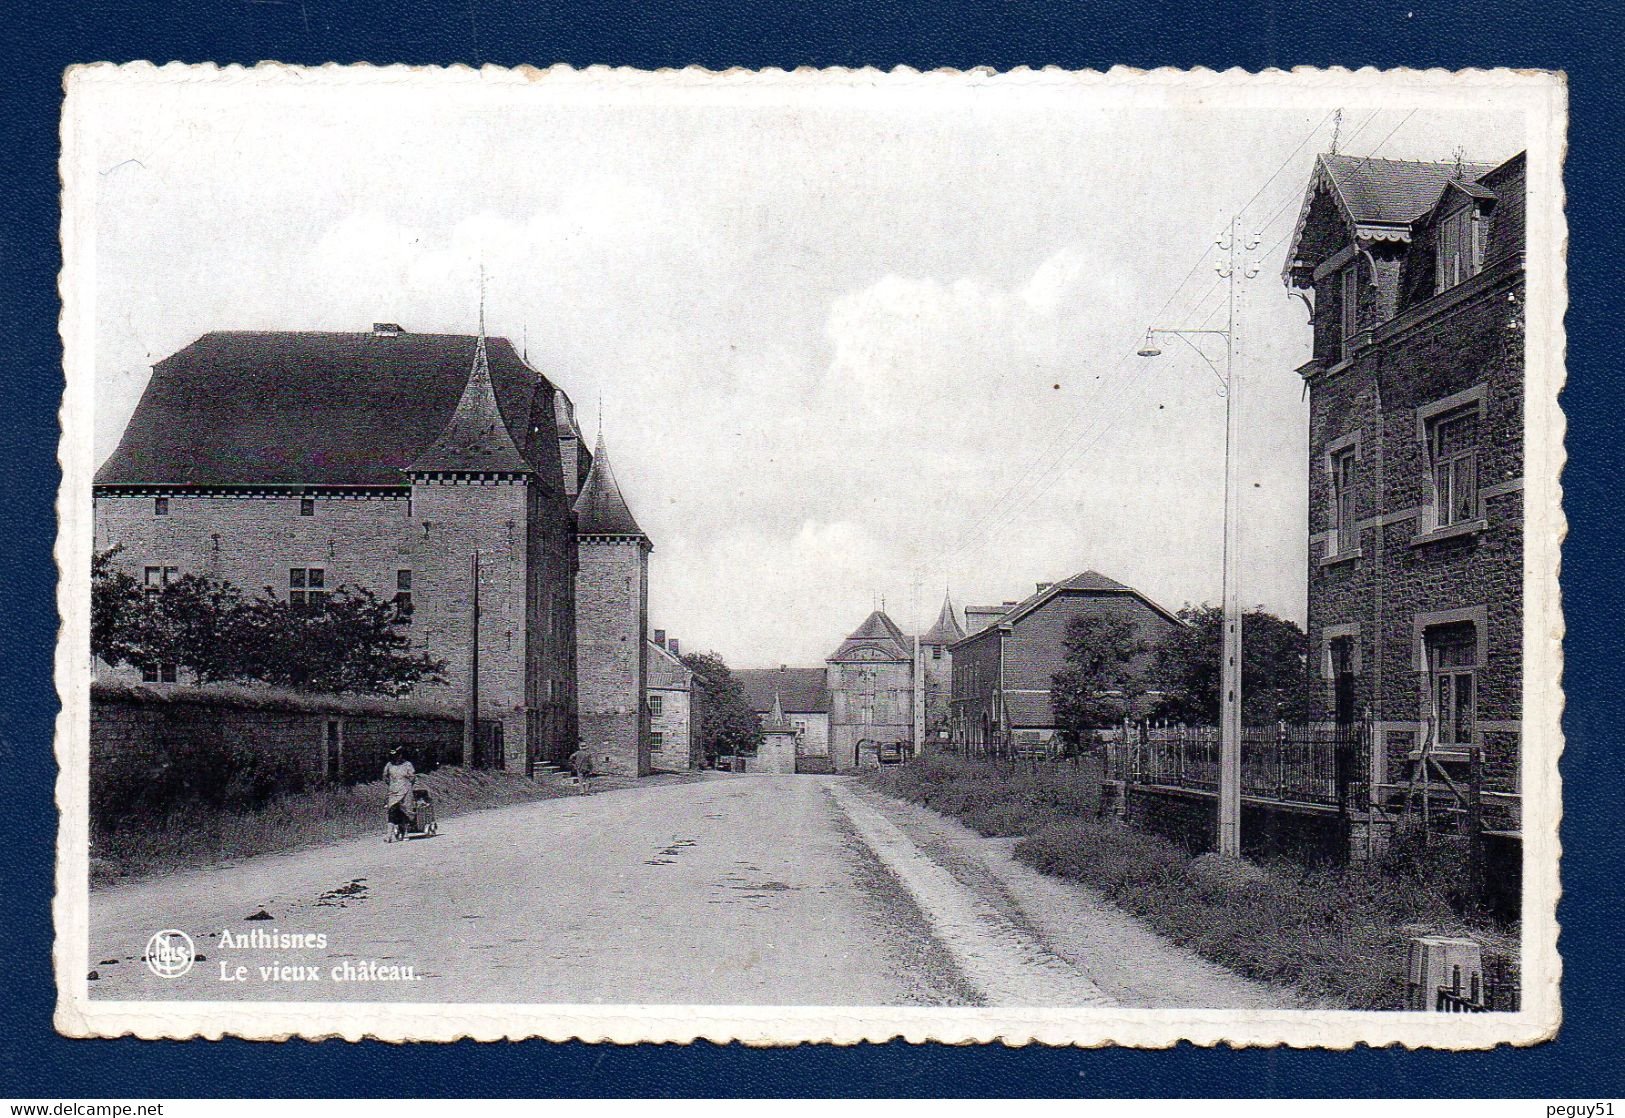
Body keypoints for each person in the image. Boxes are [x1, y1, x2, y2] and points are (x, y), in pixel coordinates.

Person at [383, 747, 416, 841]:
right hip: (393, 791)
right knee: (392, 810)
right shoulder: (389, 765)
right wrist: (392, 784)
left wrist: (407, 785)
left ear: (400, 755)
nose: (395, 758)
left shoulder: (407, 765)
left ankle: (405, 832)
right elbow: (385, 777)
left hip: (405, 790)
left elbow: (412, 778)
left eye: (397, 756)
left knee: (404, 811)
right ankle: (389, 834)